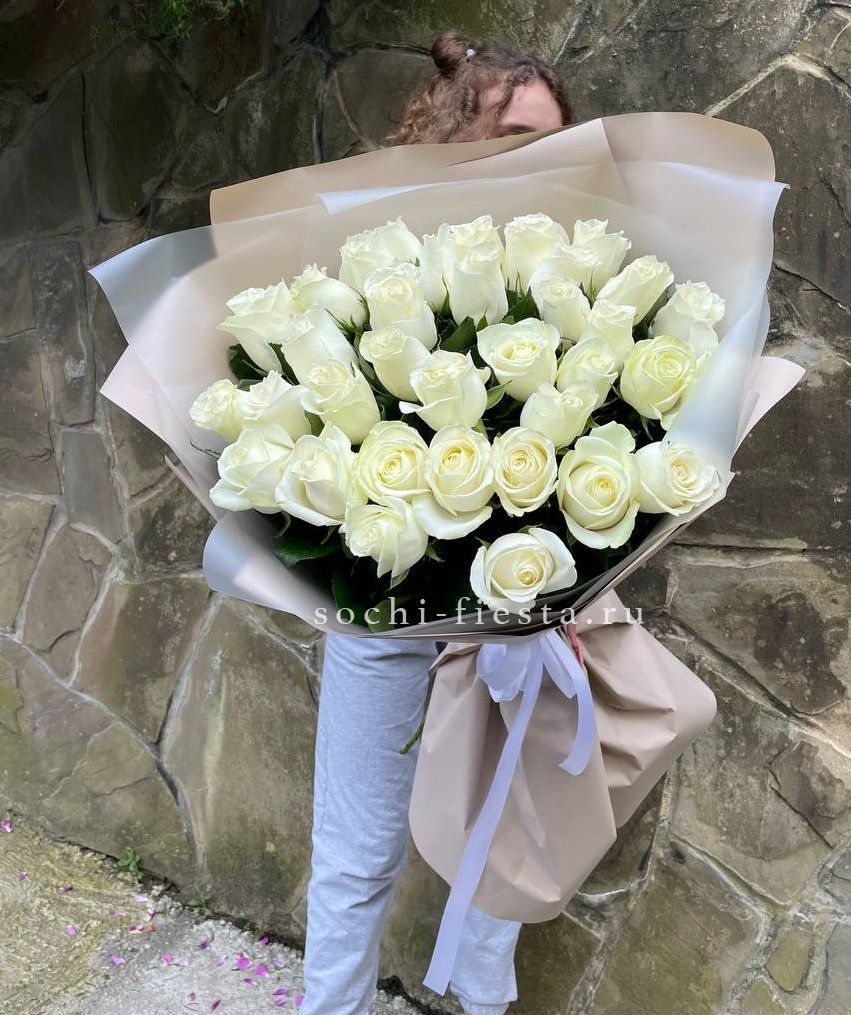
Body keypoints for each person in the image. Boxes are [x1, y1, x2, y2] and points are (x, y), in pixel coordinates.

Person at [301, 30, 576, 1015]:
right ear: (458, 133)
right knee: (355, 848)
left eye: (554, 141)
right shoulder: (382, 260)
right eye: (514, 135)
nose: (538, 160)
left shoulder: (575, 274)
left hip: (517, 608)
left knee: (504, 846)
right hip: (388, 603)